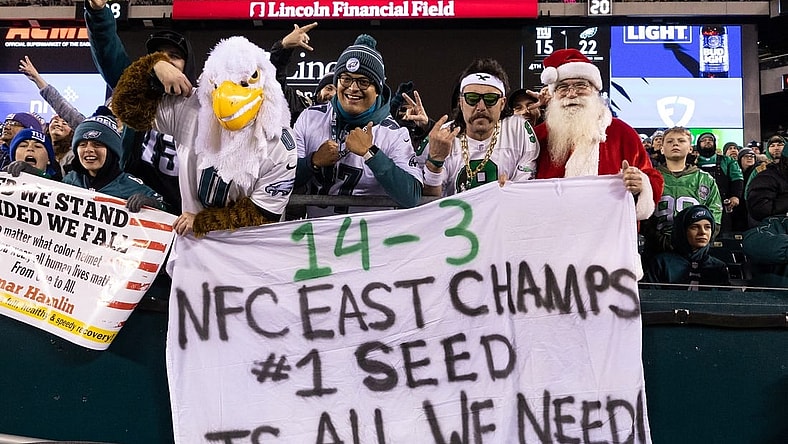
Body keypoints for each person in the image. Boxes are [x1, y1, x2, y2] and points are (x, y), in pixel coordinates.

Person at [112, 36, 296, 236]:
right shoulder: (191, 107)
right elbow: (126, 109)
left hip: (249, 252)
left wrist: (202, 222)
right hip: (194, 250)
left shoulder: (280, 142)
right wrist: (153, 66)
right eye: (220, 83)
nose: (230, 96)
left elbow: (263, 213)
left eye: (244, 83)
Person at [85, 0, 198, 214]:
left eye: (175, 56)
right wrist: (98, 12)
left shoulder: (202, 103)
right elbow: (108, 52)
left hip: (186, 217)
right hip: (134, 209)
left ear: (188, 63)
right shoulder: (136, 93)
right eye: (160, 56)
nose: (168, 62)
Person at [293, 34, 422, 216]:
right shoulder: (310, 118)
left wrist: (371, 154)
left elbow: (412, 196)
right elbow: (283, 180)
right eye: (346, 79)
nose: (353, 88)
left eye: (363, 81)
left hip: (368, 240)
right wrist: (312, 162)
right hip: (317, 237)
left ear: (377, 90)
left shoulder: (393, 133)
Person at [533, 48, 663, 221]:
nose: (571, 94)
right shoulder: (539, 135)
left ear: (595, 90)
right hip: (552, 232)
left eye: (581, 86)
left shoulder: (622, 133)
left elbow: (652, 177)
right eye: (563, 87)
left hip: (607, 235)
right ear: (553, 94)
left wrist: (641, 184)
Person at [422, 58, 539, 196]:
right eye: (472, 98)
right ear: (461, 102)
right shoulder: (443, 137)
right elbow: (429, 203)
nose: (481, 107)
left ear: (502, 104)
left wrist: (513, 191)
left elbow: (527, 191)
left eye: (490, 99)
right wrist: (435, 161)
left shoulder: (517, 129)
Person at [640, 126, 722, 258]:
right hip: (657, 251)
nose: (675, 144)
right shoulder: (650, 177)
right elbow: (642, 213)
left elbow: (714, 217)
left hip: (693, 251)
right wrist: (657, 239)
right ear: (662, 148)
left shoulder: (705, 179)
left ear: (690, 148)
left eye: (681, 141)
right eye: (670, 141)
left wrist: (696, 241)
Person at [64, 113, 167, 213]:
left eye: (97, 144)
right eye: (82, 144)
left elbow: (166, 211)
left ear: (112, 150)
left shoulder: (131, 186)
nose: (88, 149)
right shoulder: (69, 180)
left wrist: (154, 204)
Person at [645, 205, 729, 289]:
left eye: (707, 227)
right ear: (682, 231)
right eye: (695, 227)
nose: (703, 232)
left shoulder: (718, 267)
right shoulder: (661, 263)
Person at [694, 132, 743, 232]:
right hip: (698, 203)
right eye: (704, 140)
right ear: (698, 144)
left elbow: (737, 178)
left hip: (722, 204)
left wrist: (735, 196)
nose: (707, 142)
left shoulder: (727, 160)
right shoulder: (693, 161)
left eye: (710, 140)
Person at [731, 147, 760, 232]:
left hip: (752, 210)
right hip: (738, 211)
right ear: (740, 159)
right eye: (746, 156)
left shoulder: (758, 172)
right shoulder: (734, 173)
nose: (749, 158)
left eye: (752, 156)